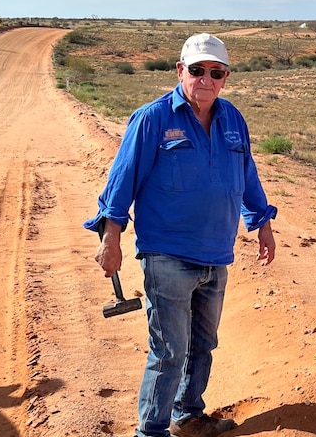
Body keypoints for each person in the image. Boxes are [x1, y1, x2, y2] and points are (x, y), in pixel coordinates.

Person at [84, 32, 277, 437]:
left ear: (225, 77)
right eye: (197, 70)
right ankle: (150, 432)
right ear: (180, 71)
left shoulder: (232, 119)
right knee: (169, 351)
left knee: (202, 346)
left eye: (216, 72)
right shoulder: (152, 119)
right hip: (166, 255)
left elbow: (247, 177)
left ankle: (187, 416)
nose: (206, 79)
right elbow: (121, 184)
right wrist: (110, 238)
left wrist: (262, 224)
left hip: (216, 254)